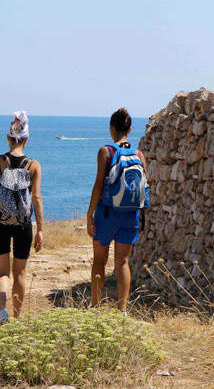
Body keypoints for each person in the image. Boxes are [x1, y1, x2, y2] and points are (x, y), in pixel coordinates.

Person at [86, 108, 147, 313]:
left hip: (107, 215)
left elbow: (98, 185)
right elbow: (143, 190)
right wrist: (142, 221)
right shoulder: (139, 155)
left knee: (99, 262)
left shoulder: (106, 151)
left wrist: (89, 214)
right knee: (123, 262)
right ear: (129, 129)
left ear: (111, 128)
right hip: (131, 216)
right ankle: (122, 310)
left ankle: (95, 306)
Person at [0, 111, 44, 325]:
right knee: (19, 272)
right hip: (23, 224)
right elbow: (36, 198)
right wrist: (40, 229)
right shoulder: (33, 165)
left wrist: (0, 212)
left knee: (2, 272)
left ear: (8, 138)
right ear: (26, 139)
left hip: (0, 223)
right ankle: (18, 318)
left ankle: (2, 312)